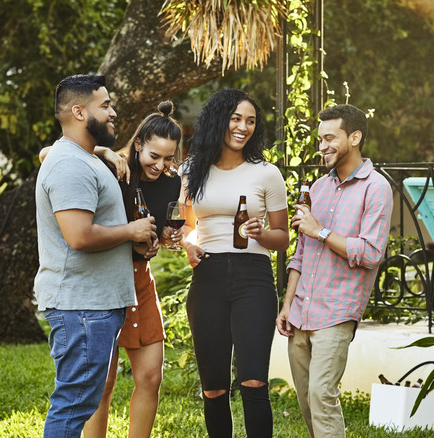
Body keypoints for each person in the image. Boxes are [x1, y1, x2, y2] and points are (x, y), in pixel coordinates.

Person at [40, 101, 183, 438]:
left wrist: (161, 239)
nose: (160, 165)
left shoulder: (171, 183)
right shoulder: (110, 166)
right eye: (154, 156)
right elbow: (49, 154)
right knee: (100, 383)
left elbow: (155, 233)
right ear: (137, 145)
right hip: (105, 281)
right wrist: (103, 149)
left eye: (168, 158)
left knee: (150, 376)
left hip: (141, 283)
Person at [276, 104, 393, 437]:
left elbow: (370, 253)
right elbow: (301, 254)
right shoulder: (318, 188)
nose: (322, 146)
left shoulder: (376, 188)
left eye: (330, 138)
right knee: (306, 400)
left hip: (337, 312)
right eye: (320, 139)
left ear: (354, 137)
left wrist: (321, 231)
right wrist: (287, 305)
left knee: (321, 395)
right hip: (300, 312)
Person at [179, 88, 289, 437]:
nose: (243, 127)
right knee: (213, 388)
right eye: (236, 118)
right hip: (207, 277)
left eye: (251, 121)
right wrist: (187, 244)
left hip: (253, 279)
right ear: (219, 119)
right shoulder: (192, 170)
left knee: (254, 381)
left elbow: (283, 237)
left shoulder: (266, 174)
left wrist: (260, 233)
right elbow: (187, 227)